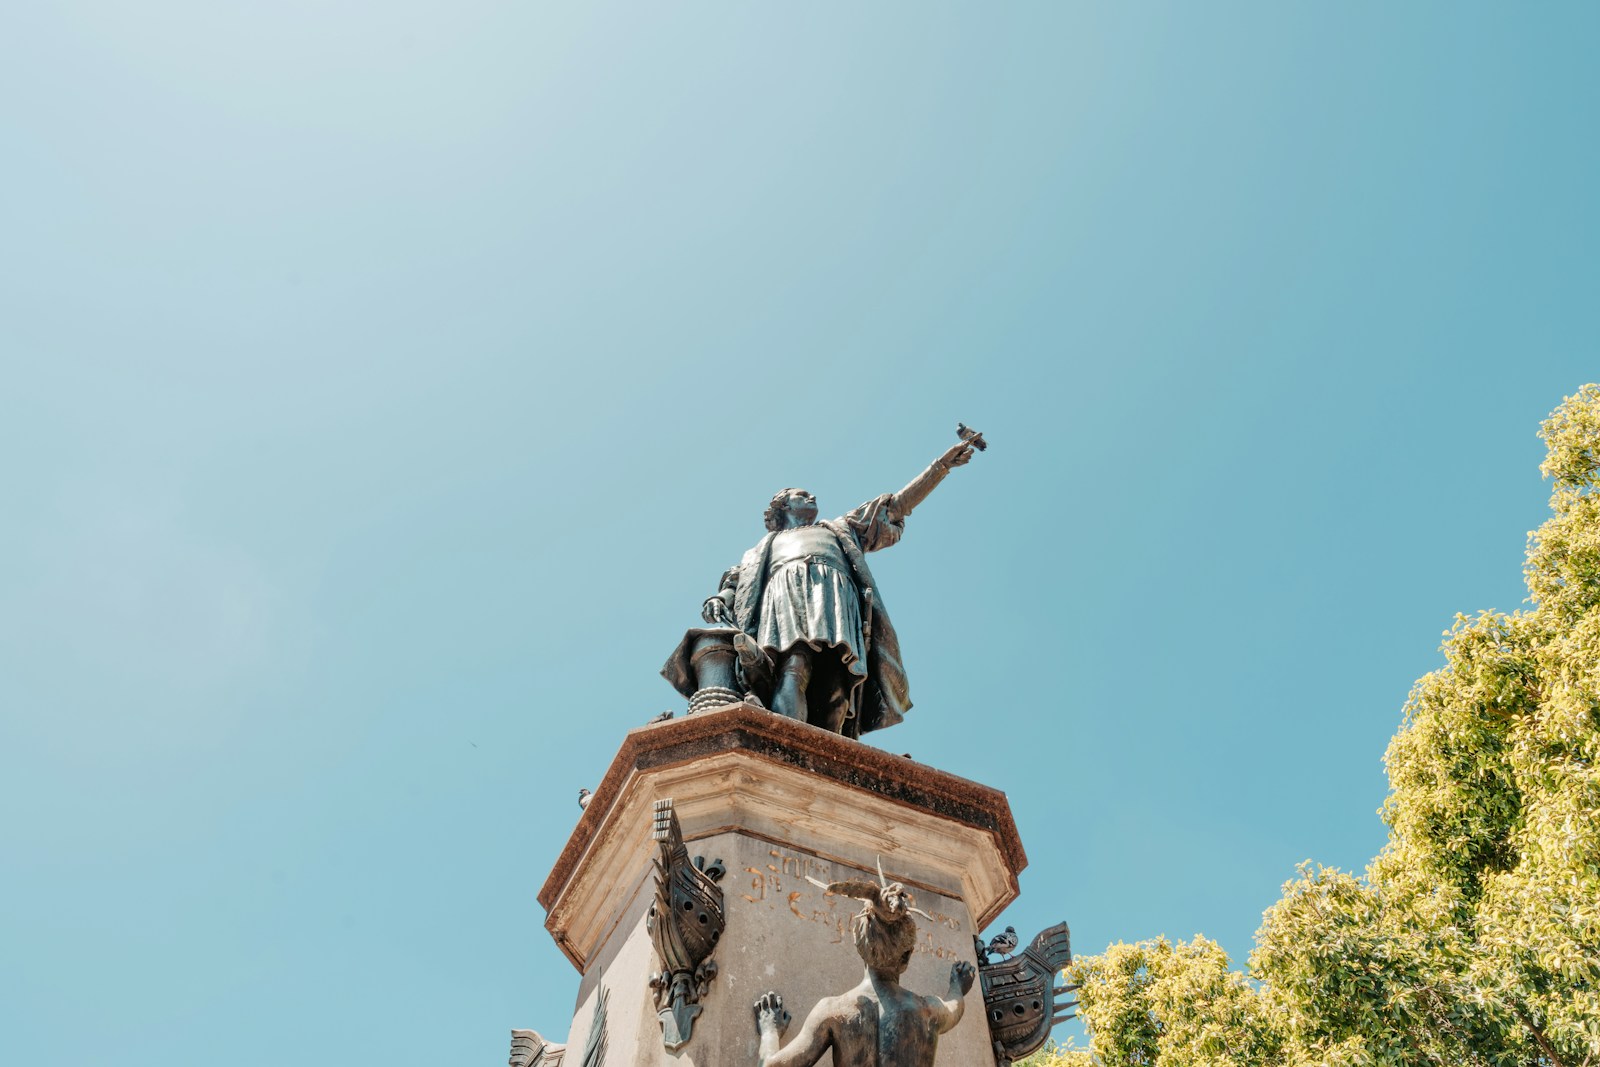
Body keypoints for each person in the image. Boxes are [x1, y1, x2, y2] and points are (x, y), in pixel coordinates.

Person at [697, 439, 975, 735]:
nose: (813, 496)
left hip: (836, 599)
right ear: (784, 506)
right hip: (787, 594)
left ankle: (829, 754)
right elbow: (739, 580)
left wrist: (940, 467)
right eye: (802, 495)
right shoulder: (763, 548)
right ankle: (785, 738)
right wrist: (720, 597)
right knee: (794, 667)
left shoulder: (842, 529)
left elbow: (895, 506)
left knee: (839, 685)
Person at [753, 883, 976, 1067]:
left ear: (860, 947)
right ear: (906, 957)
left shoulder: (833, 1011)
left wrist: (770, 1031)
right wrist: (958, 985)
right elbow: (955, 1007)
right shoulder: (928, 1010)